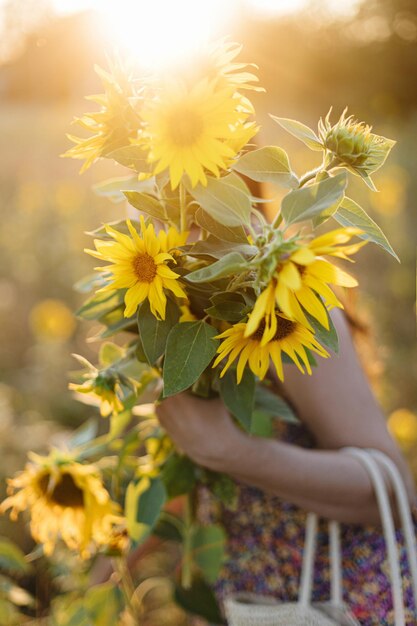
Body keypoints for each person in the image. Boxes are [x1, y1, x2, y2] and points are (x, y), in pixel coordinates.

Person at [156, 307, 417, 626]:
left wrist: (235, 453)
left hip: (346, 601)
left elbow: (390, 489)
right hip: (254, 602)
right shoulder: (185, 316)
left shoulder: (290, 312)